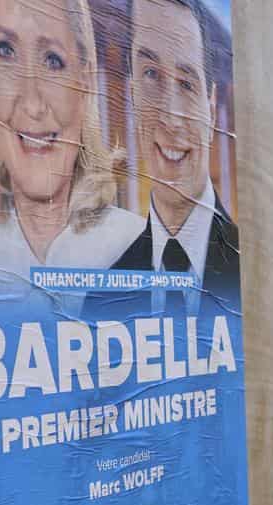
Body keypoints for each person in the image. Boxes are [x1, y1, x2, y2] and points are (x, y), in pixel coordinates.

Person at [0, 0, 142, 310]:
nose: (33, 104)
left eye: (53, 60)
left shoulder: (141, 247)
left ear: (84, 81)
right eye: (5, 51)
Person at [110, 0, 240, 313]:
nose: (170, 117)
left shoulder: (255, 270)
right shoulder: (103, 297)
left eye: (186, 83)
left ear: (210, 110)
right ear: (132, 95)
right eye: (151, 74)